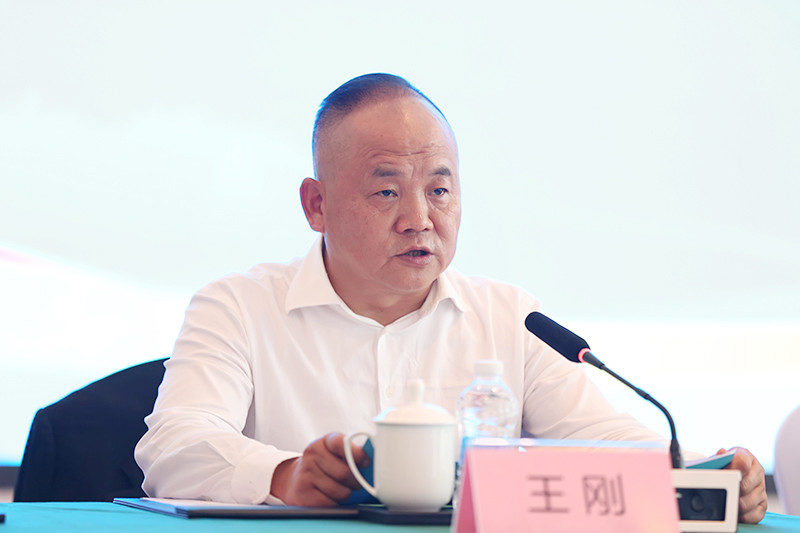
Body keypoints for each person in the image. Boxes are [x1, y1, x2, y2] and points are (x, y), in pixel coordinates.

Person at [134, 73, 767, 523]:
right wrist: (284, 475)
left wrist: (706, 472)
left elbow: (602, 440)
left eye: (439, 190)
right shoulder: (237, 307)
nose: (419, 219)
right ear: (316, 204)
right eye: (386, 192)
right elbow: (175, 444)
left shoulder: (512, 318)